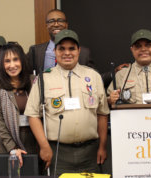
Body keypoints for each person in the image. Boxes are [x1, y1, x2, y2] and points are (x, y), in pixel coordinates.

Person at [24, 29, 109, 176]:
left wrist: (102, 146)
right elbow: (32, 115)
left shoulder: (93, 76)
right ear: (55, 51)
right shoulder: (44, 79)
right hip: (57, 153)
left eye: (71, 48)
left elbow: (102, 113)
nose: (67, 53)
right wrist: (44, 146)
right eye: (61, 48)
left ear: (79, 51)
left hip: (90, 153)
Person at [0, 42, 37, 166]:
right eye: (7, 61)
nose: (12, 65)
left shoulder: (34, 81)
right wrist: (12, 147)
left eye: (15, 59)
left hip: (32, 140)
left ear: (22, 60)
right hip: (6, 143)